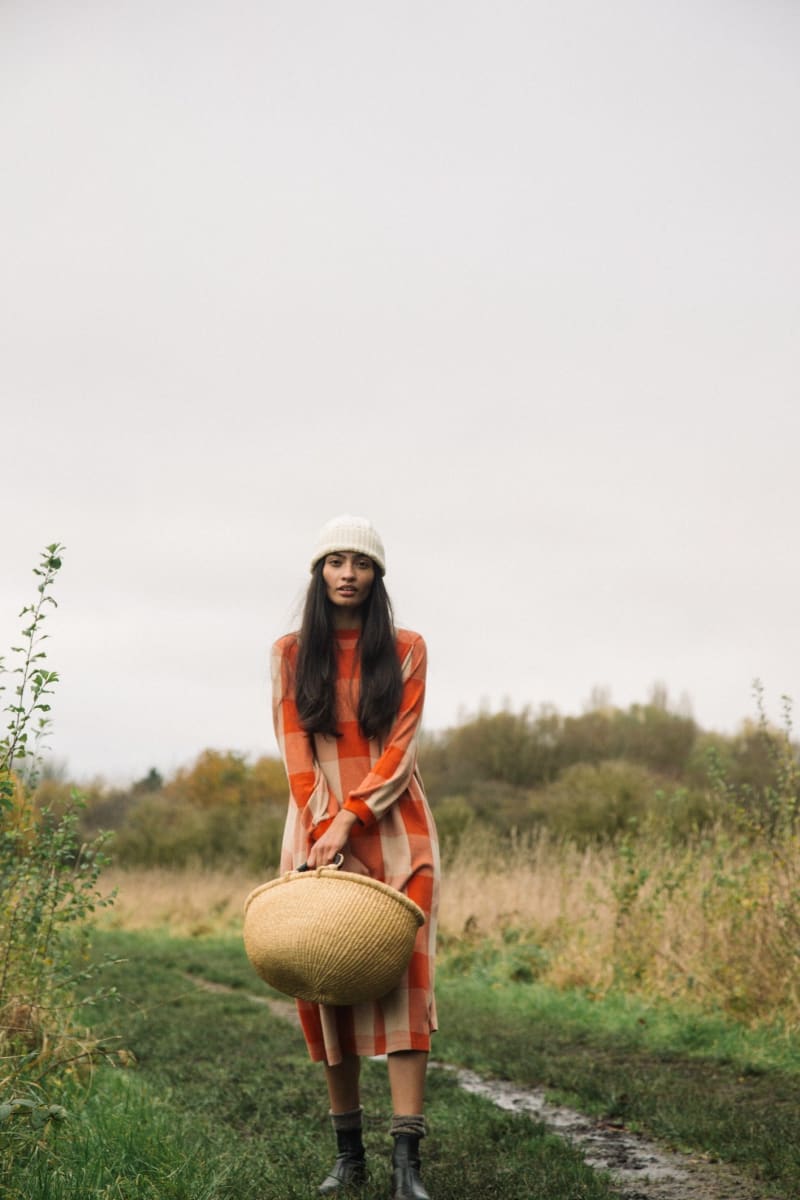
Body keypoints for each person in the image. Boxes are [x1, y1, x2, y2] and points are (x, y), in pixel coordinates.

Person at [271, 514, 440, 1200]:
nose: (348, 574)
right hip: (313, 827)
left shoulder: (407, 647)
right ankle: (350, 1157)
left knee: (405, 978)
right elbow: (294, 745)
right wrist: (323, 823)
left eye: (361, 564)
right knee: (324, 976)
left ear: (377, 576)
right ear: (319, 573)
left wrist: (353, 816)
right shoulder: (288, 651)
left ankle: (407, 1163)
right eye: (336, 562)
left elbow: (401, 747)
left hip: (397, 826)